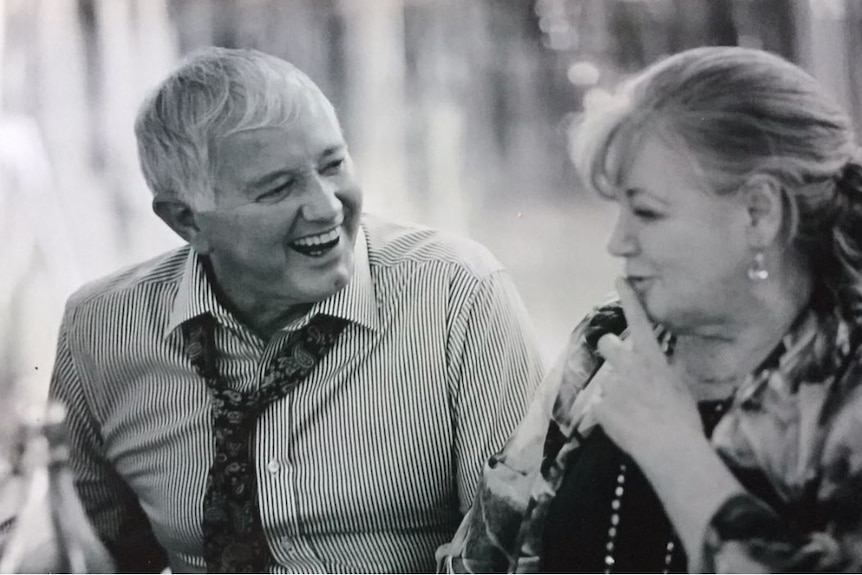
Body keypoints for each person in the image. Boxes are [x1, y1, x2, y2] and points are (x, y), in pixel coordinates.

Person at [48, 47, 545, 573]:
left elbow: (514, 552)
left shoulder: (457, 293)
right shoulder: (100, 329)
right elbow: (74, 554)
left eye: (333, 164)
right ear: (186, 220)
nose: (328, 206)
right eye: (278, 188)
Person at [438, 45, 862, 573]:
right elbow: (480, 560)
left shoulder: (847, 388)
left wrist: (674, 453)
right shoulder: (606, 341)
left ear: (759, 213)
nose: (617, 242)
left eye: (646, 212)